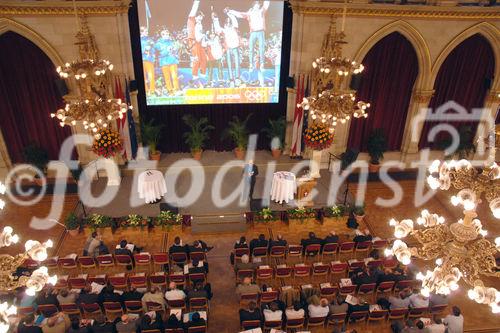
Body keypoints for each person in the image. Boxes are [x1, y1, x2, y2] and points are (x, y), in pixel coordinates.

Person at [229, 1, 270, 86]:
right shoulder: (249, 13)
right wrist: (230, 11)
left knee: (261, 48)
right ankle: (251, 65)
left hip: (260, 32)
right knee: (250, 48)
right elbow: (240, 14)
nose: (257, 6)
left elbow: (266, 4)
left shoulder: (261, 11)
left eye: (258, 5)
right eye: (256, 5)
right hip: (253, 32)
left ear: (259, 6)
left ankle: (262, 64)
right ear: (254, 6)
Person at [213, 8, 240, 84]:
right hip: (228, 49)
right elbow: (217, 28)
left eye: (229, 22)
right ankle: (231, 79)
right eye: (227, 22)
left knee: (237, 63)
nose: (228, 24)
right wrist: (215, 19)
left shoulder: (234, 28)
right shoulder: (224, 30)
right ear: (224, 24)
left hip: (235, 48)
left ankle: (237, 78)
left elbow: (234, 20)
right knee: (229, 64)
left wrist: (228, 13)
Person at [187, 0, 207, 86]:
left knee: (204, 59)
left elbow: (201, 36)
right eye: (199, 17)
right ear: (195, 16)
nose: (200, 19)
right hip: (193, 42)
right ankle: (194, 75)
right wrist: (197, 2)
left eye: (201, 18)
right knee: (196, 59)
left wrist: (204, 40)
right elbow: (193, 10)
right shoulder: (191, 20)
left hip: (199, 43)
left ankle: (202, 73)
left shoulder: (200, 25)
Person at [156, 28, 180, 95]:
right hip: (164, 63)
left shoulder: (172, 42)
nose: (167, 35)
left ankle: (176, 90)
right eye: (166, 34)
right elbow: (159, 53)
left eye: (168, 34)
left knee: (174, 76)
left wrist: (175, 49)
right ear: (162, 35)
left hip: (172, 61)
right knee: (167, 78)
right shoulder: (158, 43)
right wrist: (167, 50)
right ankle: (170, 91)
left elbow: (175, 51)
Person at [140, 26, 155, 96]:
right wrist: (144, 50)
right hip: (142, 60)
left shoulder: (150, 40)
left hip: (149, 60)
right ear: (141, 32)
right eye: (145, 31)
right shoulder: (139, 40)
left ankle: (152, 90)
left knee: (151, 75)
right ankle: (145, 91)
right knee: (143, 77)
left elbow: (153, 49)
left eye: (147, 31)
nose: (147, 33)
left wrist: (151, 50)